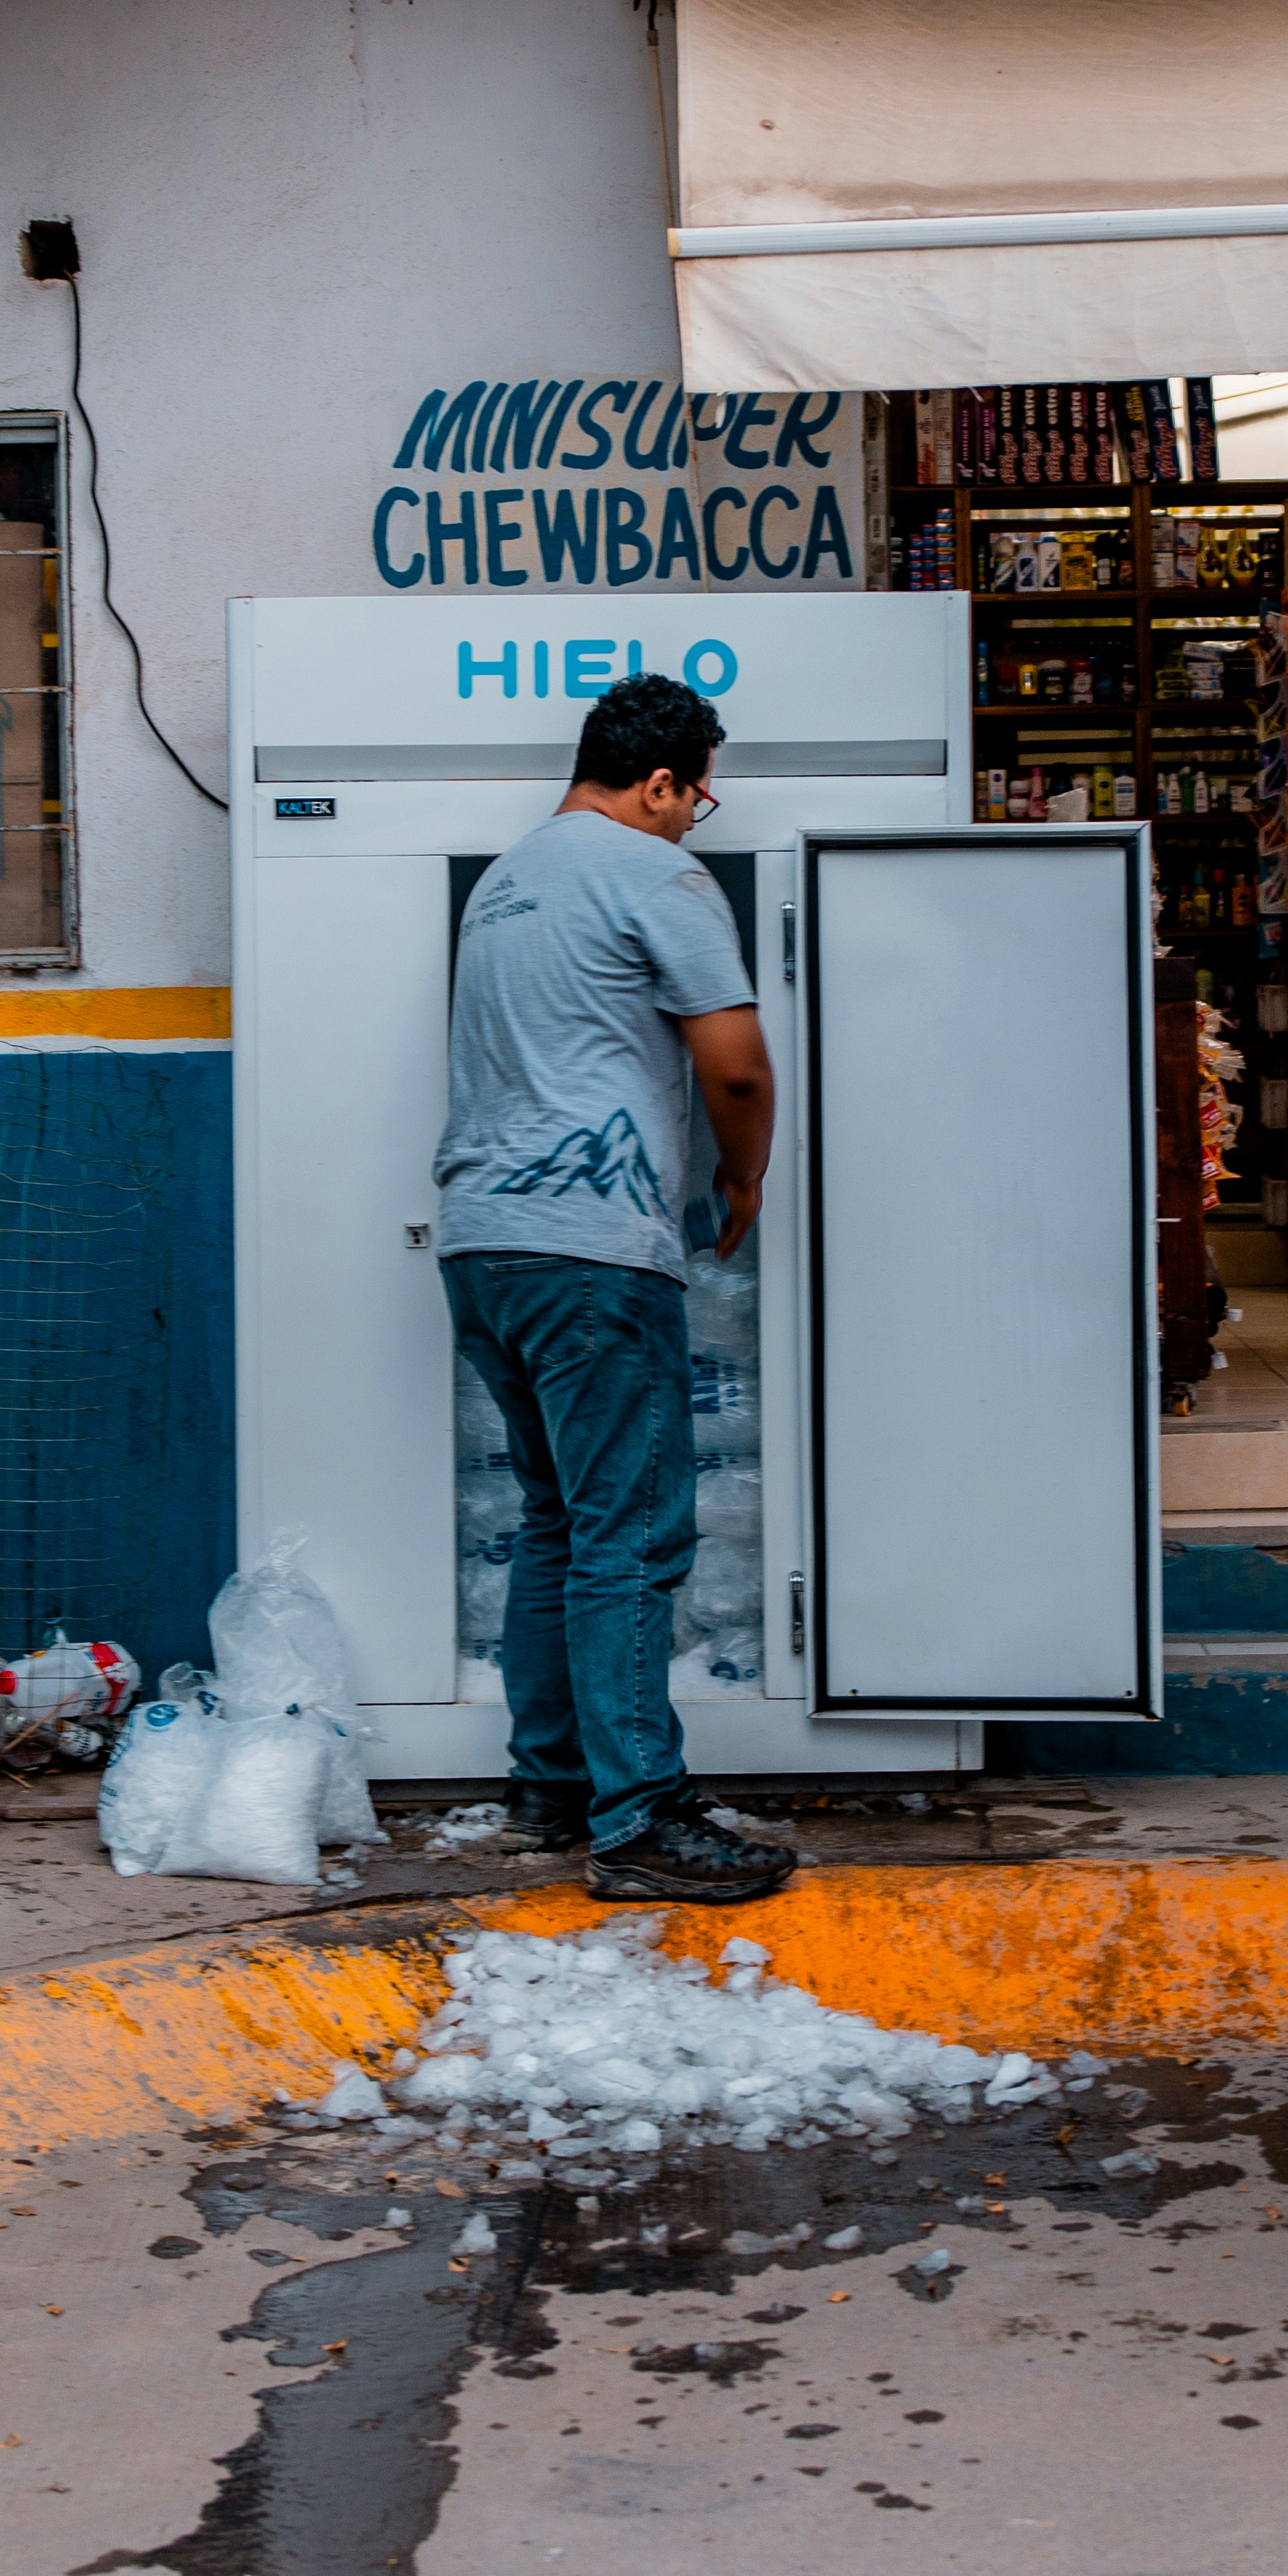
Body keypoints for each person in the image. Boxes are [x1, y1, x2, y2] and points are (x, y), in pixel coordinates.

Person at [435, 670, 793, 1902]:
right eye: (696, 796)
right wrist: (745, 1182)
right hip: (589, 1248)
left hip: (483, 1245)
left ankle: (552, 1780)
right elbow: (735, 1066)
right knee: (631, 1535)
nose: (697, 816)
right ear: (659, 782)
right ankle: (638, 1819)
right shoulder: (655, 872)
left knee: (559, 1517)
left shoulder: (507, 881)